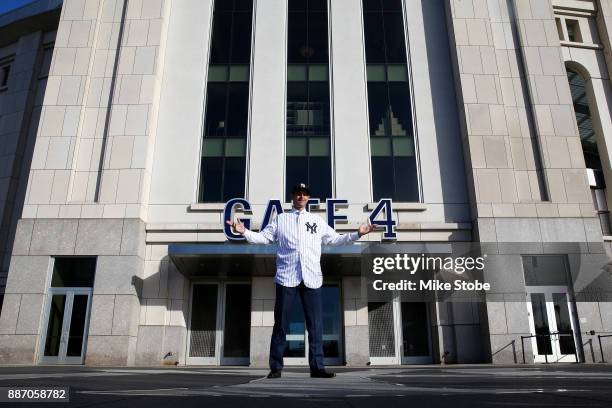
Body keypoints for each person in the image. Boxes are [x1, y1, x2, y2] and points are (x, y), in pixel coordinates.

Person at [226, 183, 377, 379]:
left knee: (315, 325)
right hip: (286, 278)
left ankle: (317, 367)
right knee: (280, 324)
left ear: (308, 198)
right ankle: (276, 368)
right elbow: (263, 238)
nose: (301, 197)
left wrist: (358, 233)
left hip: (312, 278)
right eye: (298, 193)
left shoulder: (317, 220)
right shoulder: (281, 219)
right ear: (293, 197)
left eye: (304, 194)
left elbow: (335, 239)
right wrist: (243, 231)